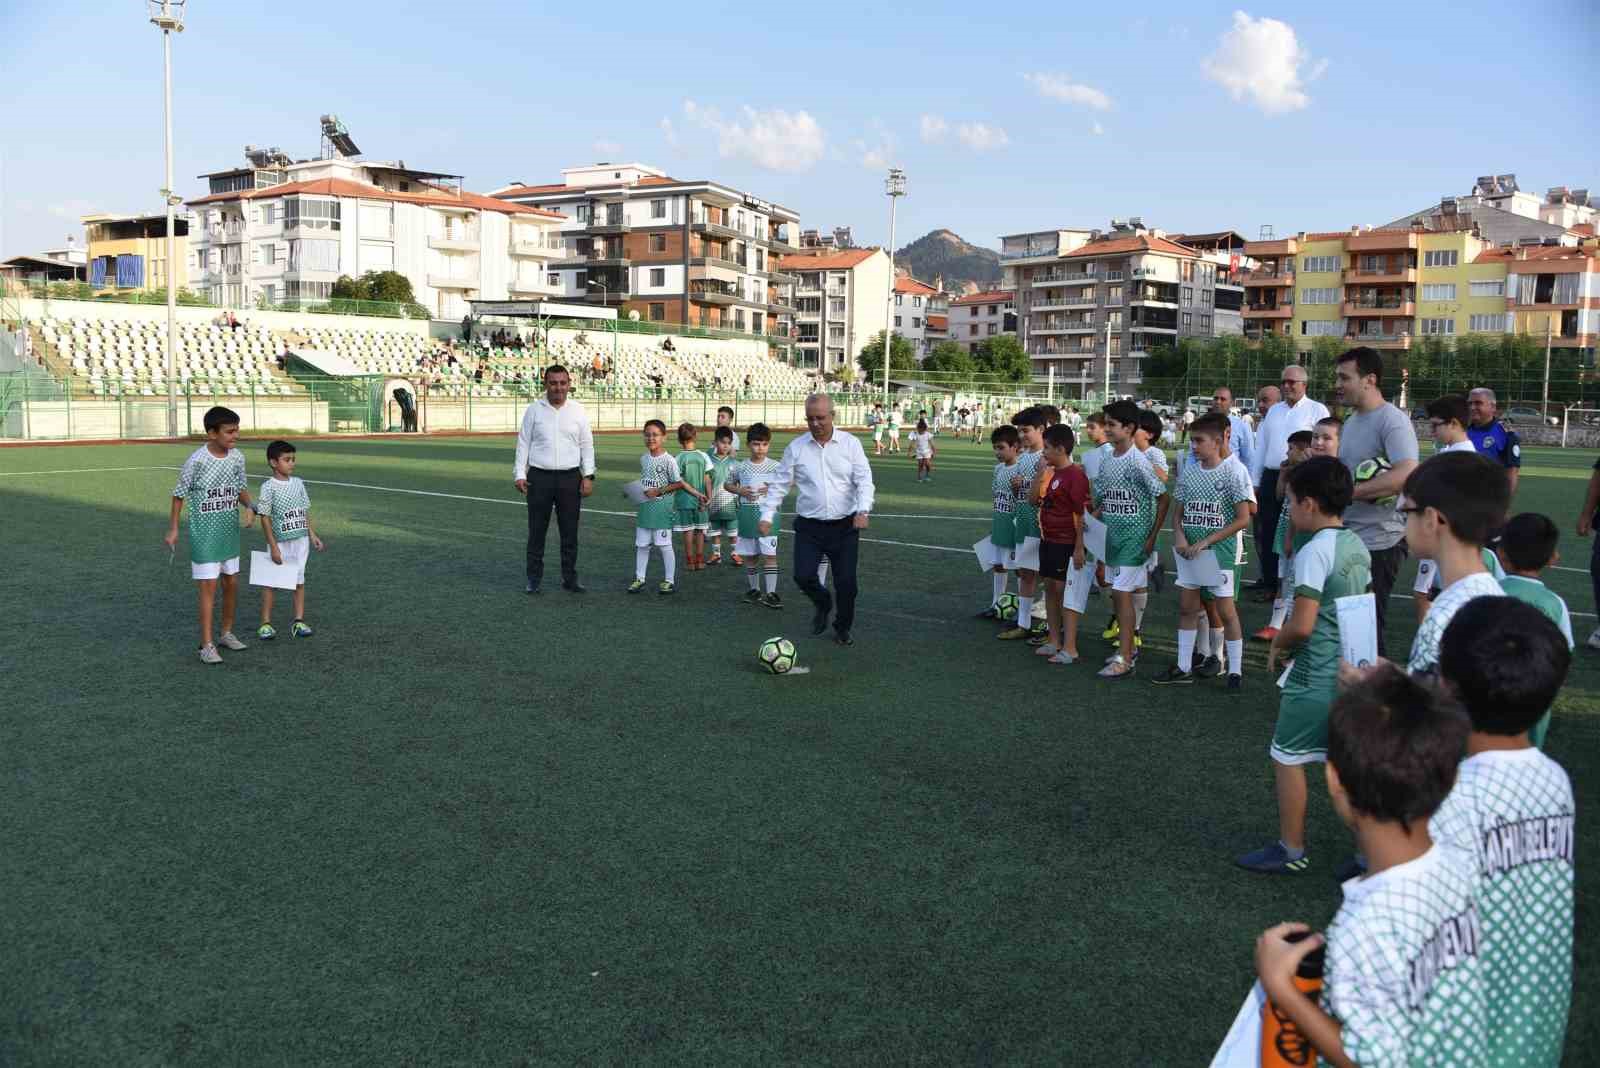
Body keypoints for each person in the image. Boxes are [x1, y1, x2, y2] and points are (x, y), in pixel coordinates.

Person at [1254, 665, 1484, 1067]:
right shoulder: (1463, 861)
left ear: (1334, 779)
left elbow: (1367, 1059)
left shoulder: (1369, 921)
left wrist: (1281, 987)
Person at [1431, 597, 1574, 1060]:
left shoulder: (1454, 800)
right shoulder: (1555, 782)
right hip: (1533, 1030)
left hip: (1463, 1040)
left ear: (1447, 686)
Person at [1239, 457, 1371, 874]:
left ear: (1310, 504)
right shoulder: (1356, 544)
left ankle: (1291, 848)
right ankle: (1374, 853)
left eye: (1291, 500)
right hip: (1352, 672)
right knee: (1345, 769)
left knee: (1288, 758)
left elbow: (1303, 623)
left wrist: (1279, 644)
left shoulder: (1314, 550)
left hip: (1315, 674)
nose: (1288, 509)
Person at [758, 394, 875, 646]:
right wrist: (767, 515)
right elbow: (779, 485)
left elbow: (864, 480)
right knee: (802, 576)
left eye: (820, 418)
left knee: (847, 585)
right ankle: (823, 602)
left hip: (845, 527)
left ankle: (842, 627)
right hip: (809, 527)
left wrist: (863, 510)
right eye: (810, 418)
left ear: (833, 416)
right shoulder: (796, 448)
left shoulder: (850, 444)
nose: (815, 423)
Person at [1155, 413, 1253, 688]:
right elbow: (1179, 513)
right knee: (1187, 608)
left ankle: (1234, 670)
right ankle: (1184, 666)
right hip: (1190, 554)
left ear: (1220, 440)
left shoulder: (1235, 471)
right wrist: (1180, 537)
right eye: (1192, 440)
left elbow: (1244, 518)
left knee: (1225, 612)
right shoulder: (1191, 470)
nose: (1194, 446)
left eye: (1199, 441)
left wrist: (1206, 542)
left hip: (1219, 553)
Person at [1334, 347, 1419, 658]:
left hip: (1381, 540)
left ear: (1369, 380)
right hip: (1350, 533)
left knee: (1366, 627)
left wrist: (1349, 494)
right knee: (1346, 621)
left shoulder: (1392, 421)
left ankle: (1376, 699)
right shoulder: (1353, 419)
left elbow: (1407, 473)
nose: (1338, 384)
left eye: (1345, 377)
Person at [1402, 451, 1510, 677]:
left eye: (1407, 512)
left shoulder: (1444, 616)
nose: (1404, 523)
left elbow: (1430, 708)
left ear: (1432, 519)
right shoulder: (1494, 595)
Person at [164, 406, 255, 664]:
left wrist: (250, 506)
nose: (235, 435)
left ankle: (226, 633)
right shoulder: (197, 461)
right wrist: (173, 529)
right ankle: (206, 645)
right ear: (212, 433)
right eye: (230, 431)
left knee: (231, 583)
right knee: (208, 588)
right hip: (204, 534)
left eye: (237, 430)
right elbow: (178, 495)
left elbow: (240, 488)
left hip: (228, 531)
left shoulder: (237, 457)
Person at [1091, 400, 1167, 680]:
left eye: (1112, 424)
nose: (1106, 429)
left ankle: (1125, 657)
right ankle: (1127, 649)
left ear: (1130, 428)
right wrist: (1092, 519)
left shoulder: (1139, 462)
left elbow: (1162, 498)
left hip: (1135, 540)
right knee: (1117, 594)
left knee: (1122, 593)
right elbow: (1103, 499)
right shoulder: (1108, 458)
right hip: (1113, 537)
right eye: (1106, 423)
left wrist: (1152, 537)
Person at [514, 365, 596, 595]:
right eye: (553, 383)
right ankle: (533, 579)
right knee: (536, 531)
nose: (558, 387)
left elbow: (586, 445)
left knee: (570, 532)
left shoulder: (578, 411)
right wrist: (520, 474)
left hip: (571, 478)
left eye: (562, 383)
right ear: (545, 384)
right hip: (539, 478)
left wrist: (588, 475)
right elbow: (523, 444)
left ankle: (569, 578)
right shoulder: (534, 410)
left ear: (569, 384)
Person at [1250, 369, 1328, 592]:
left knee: (1296, 531)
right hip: (1271, 476)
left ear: (1304, 384)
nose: (1286, 386)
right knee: (1267, 531)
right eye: (1283, 381)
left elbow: (1323, 444)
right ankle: (1269, 583)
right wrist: (1255, 482)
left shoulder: (1317, 409)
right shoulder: (1274, 411)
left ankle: (1296, 585)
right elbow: (1261, 448)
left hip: (1302, 478)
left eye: (1291, 382)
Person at [1411, 394, 1484, 622]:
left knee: (1424, 594)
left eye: (1435, 425)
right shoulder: (1451, 453)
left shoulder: (1460, 459)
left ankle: (1432, 646)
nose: (1431, 431)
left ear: (1453, 423)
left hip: (1445, 538)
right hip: (1442, 538)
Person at [254, 439, 324, 641]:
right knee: (271, 582)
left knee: (299, 580)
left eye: (293, 459)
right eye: (287, 459)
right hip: (280, 541)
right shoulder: (268, 487)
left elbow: (303, 511)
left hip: (300, 540)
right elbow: (265, 517)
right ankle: (265, 624)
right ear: (273, 462)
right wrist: (274, 546)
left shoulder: (299, 483)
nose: (291, 463)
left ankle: (298, 621)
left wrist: (312, 534)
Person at [1033, 424, 1089, 664]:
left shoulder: (1075, 475)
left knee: (1066, 593)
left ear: (1060, 448)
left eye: (1046, 448)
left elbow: (1082, 515)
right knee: (1051, 590)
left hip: (1066, 543)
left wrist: (1078, 548)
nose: (1043, 452)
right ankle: (1054, 640)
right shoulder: (1053, 473)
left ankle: (1070, 647)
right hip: (1049, 539)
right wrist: (1039, 474)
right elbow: (1033, 501)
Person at [1255, 430, 1313, 642]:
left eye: (1291, 449)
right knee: (1283, 578)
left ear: (1304, 450)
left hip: (1300, 534)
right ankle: (1275, 625)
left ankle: (1293, 626)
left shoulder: (1311, 474)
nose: (1287, 452)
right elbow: (1280, 495)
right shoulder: (1291, 471)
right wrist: (1283, 473)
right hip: (1285, 528)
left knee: (1299, 582)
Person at [630, 419, 695, 595]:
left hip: (662, 511)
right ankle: (639, 578)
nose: (651, 438)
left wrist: (658, 491)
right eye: (647, 435)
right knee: (642, 545)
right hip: (645, 509)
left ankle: (669, 580)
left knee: (664, 545)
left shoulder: (669, 460)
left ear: (664, 438)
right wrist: (635, 491)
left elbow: (678, 484)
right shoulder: (644, 458)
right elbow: (646, 483)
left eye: (655, 435)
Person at [999, 408, 1047, 641]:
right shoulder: (1024, 457)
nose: (1022, 435)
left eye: (1026, 430)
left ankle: (1050, 624)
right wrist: (1017, 486)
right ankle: (1024, 622)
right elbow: (1019, 492)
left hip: (1045, 527)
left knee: (1049, 578)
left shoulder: (1049, 457)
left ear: (1040, 429)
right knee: (1026, 573)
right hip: (1024, 523)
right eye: (1019, 431)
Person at [730, 423, 784, 608]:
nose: (760, 448)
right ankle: (754, 589)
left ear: (768, 445)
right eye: (755, 444)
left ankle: (771, 593)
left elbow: (788, 482)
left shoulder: (775, 466)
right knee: (751, 556)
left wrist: (771, 487)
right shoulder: (741, 467)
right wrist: (740, 491)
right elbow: (727, 485)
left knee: (770, 554)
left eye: (764, 444)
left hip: (769, 518)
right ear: (748, 445)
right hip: (746, 515)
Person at [978, 425, 1022, 619]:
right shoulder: (998, 469)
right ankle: (996, 604)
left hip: (1015, 526)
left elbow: (1024, 498)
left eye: (1001, 447)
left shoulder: (1021, 468)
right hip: (1000, 523)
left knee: (1020, 568)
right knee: (998, 564)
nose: (997, 452)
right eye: (995, 448)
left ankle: (1022, 607)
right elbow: (997, 497)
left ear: (1015, 447)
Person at [1466, 387, 1521, 497]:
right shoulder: (1461, 431)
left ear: (1493, 407)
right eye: (1470, 403)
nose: (1472, 407)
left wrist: (1503, 505)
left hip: (1488, 499)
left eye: (1478, 403)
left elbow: (1512, 473)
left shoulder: (1506, 434)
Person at [674, 423, 712, 571]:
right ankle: (700, 560)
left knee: (688, 531)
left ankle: (690, 562)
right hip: (701, 501)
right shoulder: (703, 456)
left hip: (684, 501)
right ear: (696, 436)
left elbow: (678, 481)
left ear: (678, 439)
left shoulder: (677, 458)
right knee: (700, 530)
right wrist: (709, 497)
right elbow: (707, 478)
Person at [704, 427, 740, 567]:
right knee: (715, 531)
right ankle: (716, 554)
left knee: (733, 531)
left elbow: (738, 483)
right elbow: (705, 480)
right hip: (714, 502)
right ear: (715, 443)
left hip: (730, 503)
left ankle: (735, 553)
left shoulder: (734, 463)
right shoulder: (708, 462)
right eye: (722, 442)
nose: (725, 446)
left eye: (728, 443)